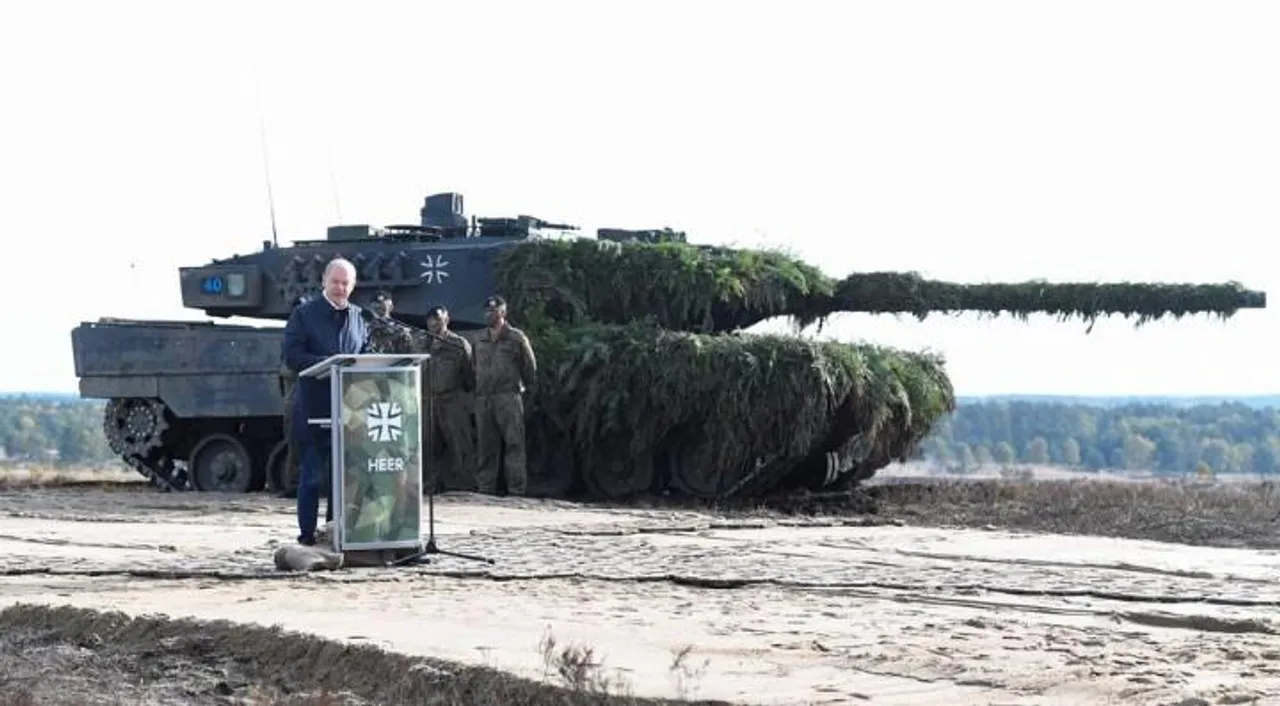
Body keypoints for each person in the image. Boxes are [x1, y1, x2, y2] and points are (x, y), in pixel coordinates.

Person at [283, 258, 372, 546]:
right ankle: (307, 535)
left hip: (349, 409)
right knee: (312, 476)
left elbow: (365, 354)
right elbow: (292, 356)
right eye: (335, 281)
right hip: (314, 407)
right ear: (324, 281)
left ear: (353, 286)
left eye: (346, 283)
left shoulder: (359, 317)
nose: (340, 288)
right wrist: (329, 364)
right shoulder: (304, 315)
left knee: (342, 478)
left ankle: (335, 532)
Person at [472, 295, 536, 495]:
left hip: (507, 396)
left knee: (514, 443)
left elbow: (529, 367)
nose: (489, 314)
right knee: (486, 446)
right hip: (484, 398)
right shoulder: (479, 339)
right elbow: (473, 366)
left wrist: (520, 388)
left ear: (503, 312)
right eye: (487, 311)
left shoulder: (516, 337)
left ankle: (516, 489)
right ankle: (486, 489)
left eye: (494, 310)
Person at [418, 305, 476, 491]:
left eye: (439, 320)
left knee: (459, 442)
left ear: (447, 320)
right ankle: (432, 483)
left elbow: (470, 374)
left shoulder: (458, 344)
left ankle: (464, 484)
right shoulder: (421, 343)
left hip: (451, 400)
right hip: (427, 400)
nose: (435, 324)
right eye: (432, 321)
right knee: (428, 444)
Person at [276, 294, 311, 499]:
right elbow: (286, 367)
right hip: (294, 394)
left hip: (304, 394)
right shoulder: (291, 335)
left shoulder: (307, 334)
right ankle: (292, 483)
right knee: (293, 440)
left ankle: (300, 482)